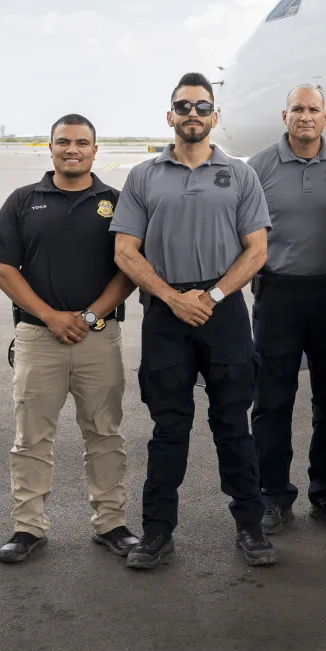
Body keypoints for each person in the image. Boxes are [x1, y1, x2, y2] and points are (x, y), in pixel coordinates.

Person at [110, 72, 275, 570]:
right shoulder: (143, 176)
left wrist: (215, 294)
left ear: (215, 117)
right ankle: (158, 532)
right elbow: (124, 250)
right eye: (183, 107)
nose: (193, 115)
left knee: (233, 425)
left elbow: (258, 250)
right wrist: (172, 297)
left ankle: (250, 526)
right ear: (170, 116)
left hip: (223, 313)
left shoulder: (241, 175)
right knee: (168, 428)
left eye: (202, 107)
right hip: (165, 314)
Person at [0, 114, 139, 564]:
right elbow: (3, 269)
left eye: (82, 142)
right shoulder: (23, 201)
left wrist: (89, 317)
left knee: (105, 434)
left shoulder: (115, 202)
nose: (73, 149)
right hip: (38, 338)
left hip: (99, 338)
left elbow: (129, 268)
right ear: (49, 148)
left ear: (95, 150)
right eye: (64, 142)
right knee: (31, 438)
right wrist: (50, 316)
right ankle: (27, 528)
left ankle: (111, 523)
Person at [246, 84, 326, 535]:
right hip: (277, 295)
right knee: (272, 399)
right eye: (297, 108)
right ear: (284, 116)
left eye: (313, 109)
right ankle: (272, 494)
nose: (305, 116)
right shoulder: (258, 167)